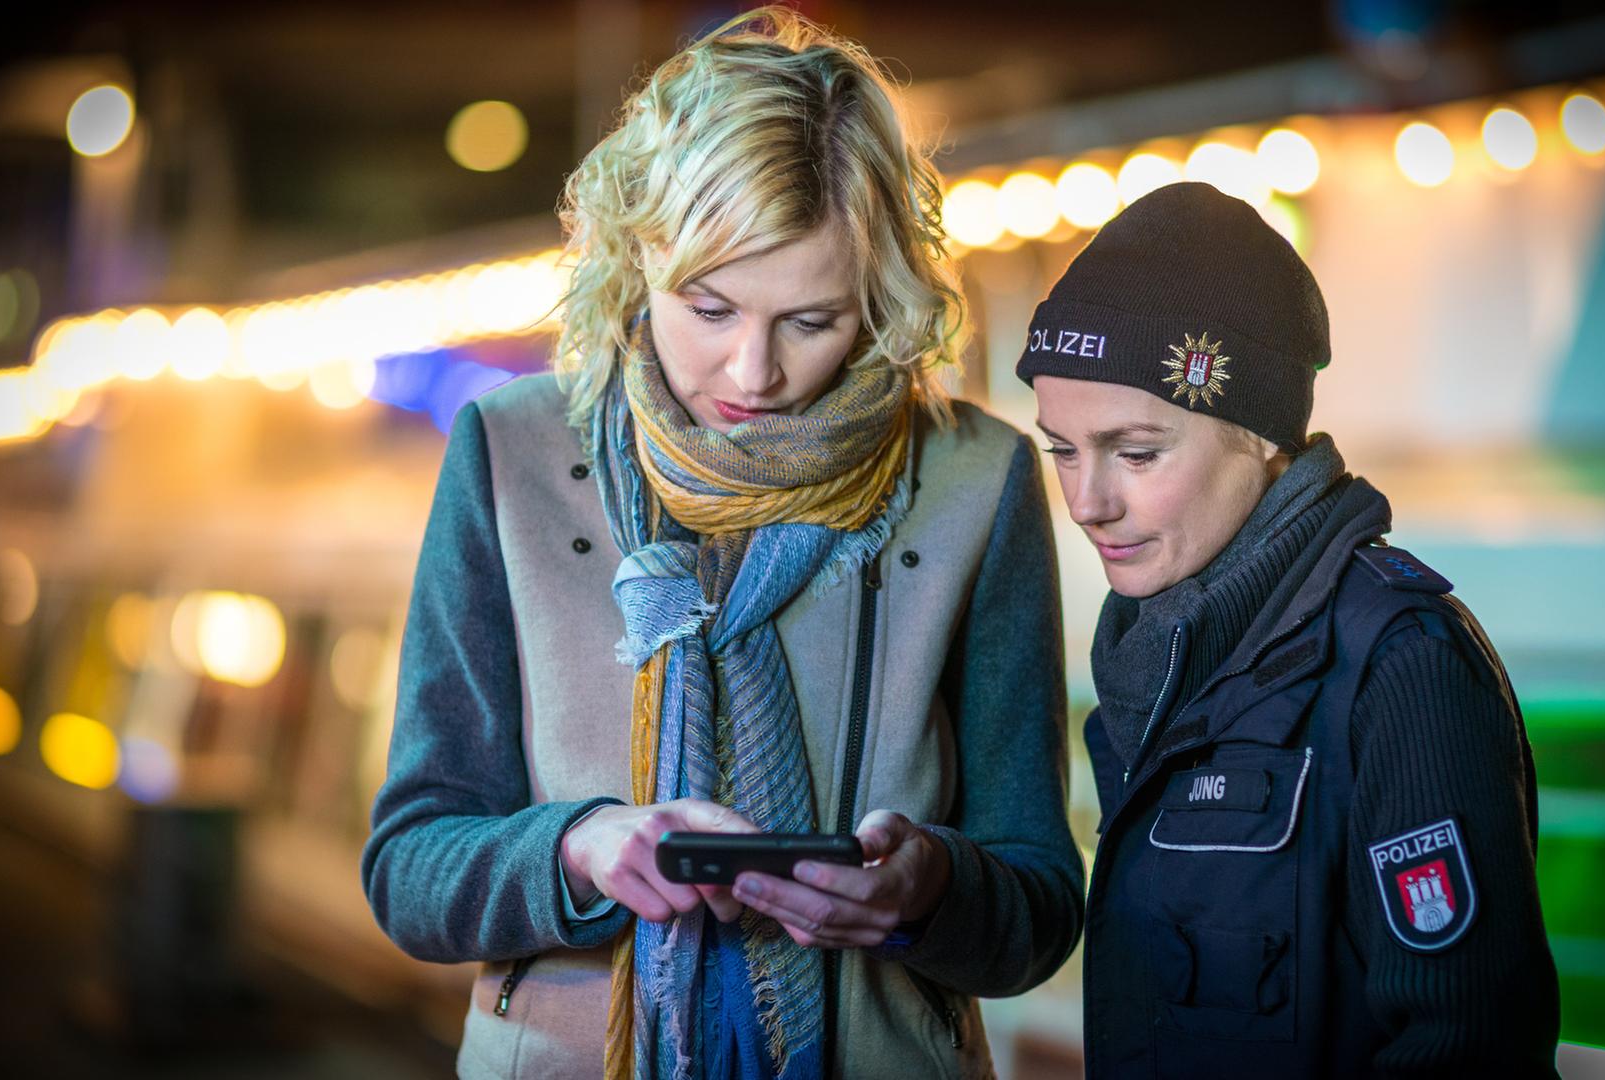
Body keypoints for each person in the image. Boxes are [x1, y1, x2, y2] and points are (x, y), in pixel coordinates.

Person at [361, 9, 1083, 1079]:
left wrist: (930, 889)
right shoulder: (510, 453)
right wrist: (579, 849)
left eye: (813, 320)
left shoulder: (975, 480)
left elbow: (1040, 906)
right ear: (635, 257)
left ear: (881, 295)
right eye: (708, 309)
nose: (753, 372)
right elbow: (408, 868)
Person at [1018, 181, 1561, 1077]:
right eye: (1062, 450)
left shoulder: (1402, 666)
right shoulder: (1160, 651)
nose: (1085, 502)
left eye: (1136, 453)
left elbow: (1467, 1049)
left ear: (1264, 434)